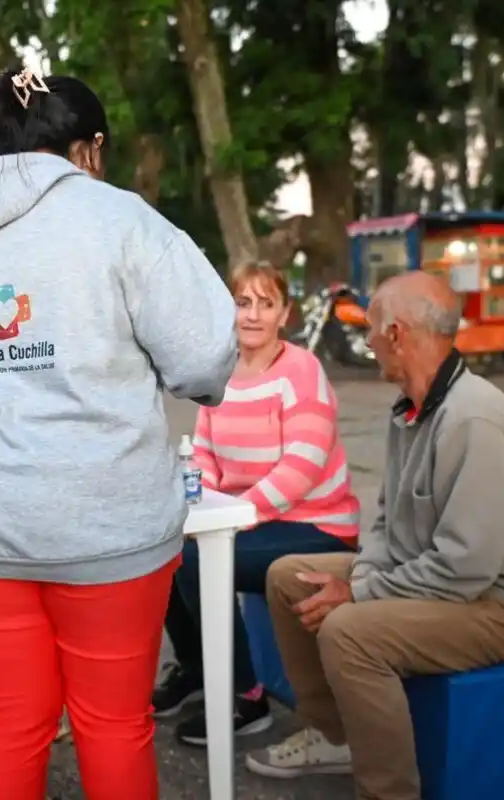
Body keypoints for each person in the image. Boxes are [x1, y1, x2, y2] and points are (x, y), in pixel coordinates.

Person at [0, 67, 237, 800]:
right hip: (105, 519)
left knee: (5, 720)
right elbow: (202, 358)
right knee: (113, 722)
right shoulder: (122, 222)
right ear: (87, 149)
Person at [247, 271, 504, 800]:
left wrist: (359, 592)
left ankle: (388, 791)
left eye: (372, 329)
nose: (368, 341)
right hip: (438, 581)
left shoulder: (473, 419)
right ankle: (338, 737)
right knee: (289, 577)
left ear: (397, 334)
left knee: (349, 631)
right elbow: (384, 522)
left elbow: (468, 567)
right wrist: (366, 576)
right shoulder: (413, 408)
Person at [153, 260, 361, 746]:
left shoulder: (301, 371)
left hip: (317, 524)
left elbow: (301, 467)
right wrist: (200, 500)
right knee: (160, 547)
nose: (252, 315)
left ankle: (247, 699)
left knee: (195, 561)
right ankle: (199, 671)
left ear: (284, 314)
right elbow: (202, 448)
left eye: (265, 304)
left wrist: (231, 520)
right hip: (248, 520)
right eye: (242, 301)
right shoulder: (221, 371)